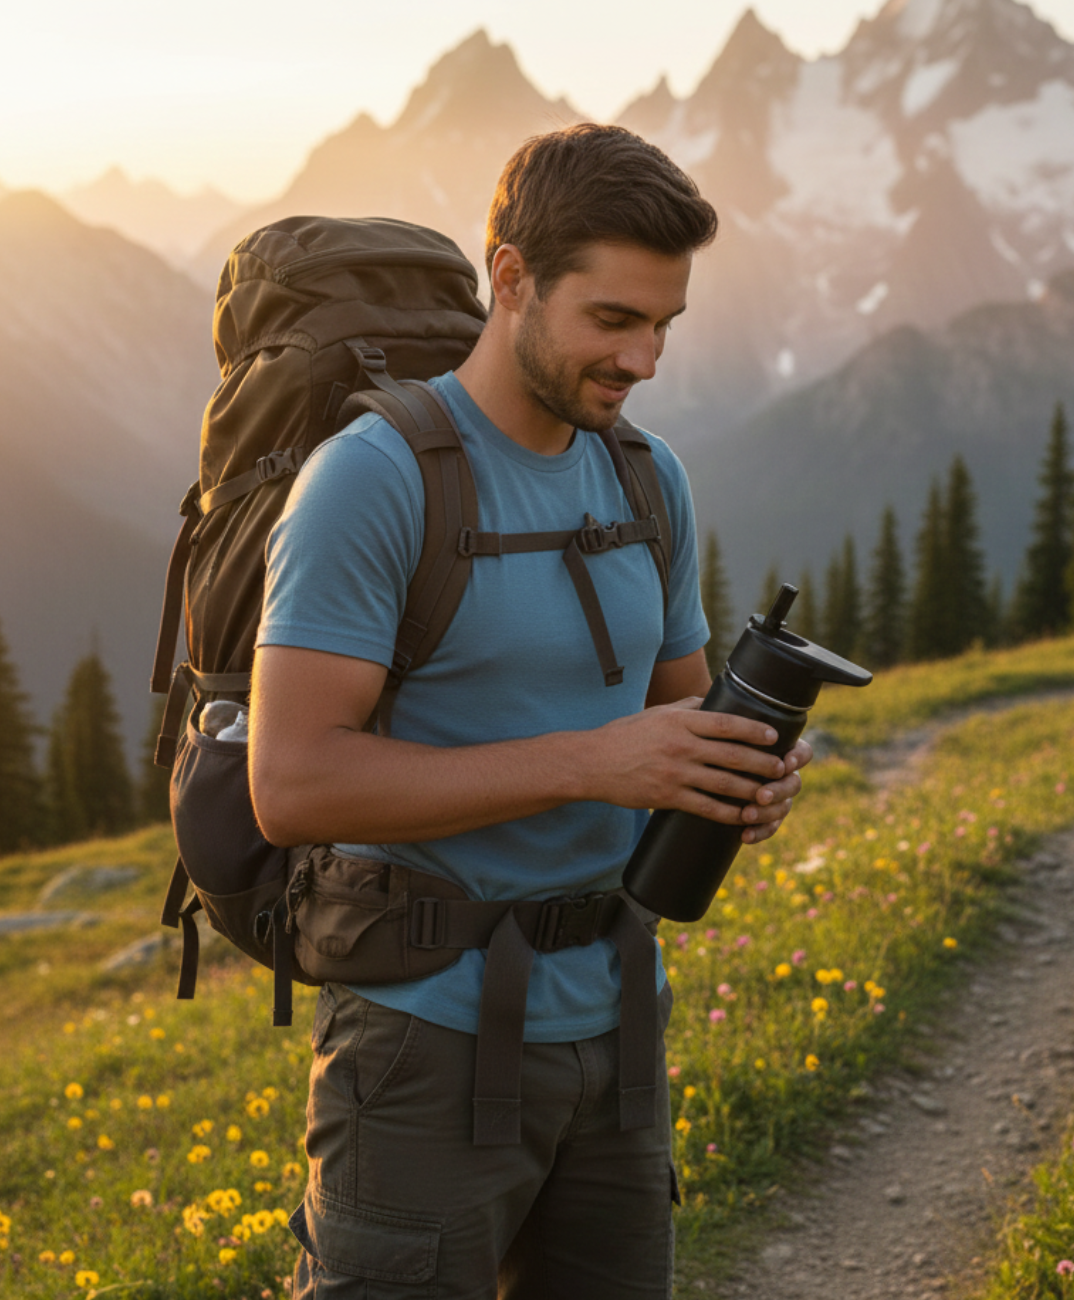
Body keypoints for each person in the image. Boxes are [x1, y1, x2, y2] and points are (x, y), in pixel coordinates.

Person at [249, 123, 812, 1300]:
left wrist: (732, 774)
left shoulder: (646, 478)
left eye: (665, 323)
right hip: (420, 1041)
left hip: (617, 1025)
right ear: (510, 279)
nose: (646, 357)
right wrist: (594, 762)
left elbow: (671, 717)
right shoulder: (374, 479)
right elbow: (292, 784)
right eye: (614, 319)